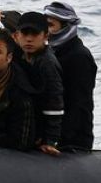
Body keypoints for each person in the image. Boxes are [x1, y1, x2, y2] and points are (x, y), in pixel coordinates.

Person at [44, 1, 97, 151]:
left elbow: (78, 105)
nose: (45, 31)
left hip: (72, 140)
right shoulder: (51, 52)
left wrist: (59, 141)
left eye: (50, 25)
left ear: (66, 27)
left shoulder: (79, 57)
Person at [13, 11, 64, 155]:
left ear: (46, 36)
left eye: (34, 34)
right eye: (24, 33)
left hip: (42, 126)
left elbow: (55, 103)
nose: (29, 39)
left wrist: (50, 140)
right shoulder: (19, 56)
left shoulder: (47, 63)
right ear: (17, 36)